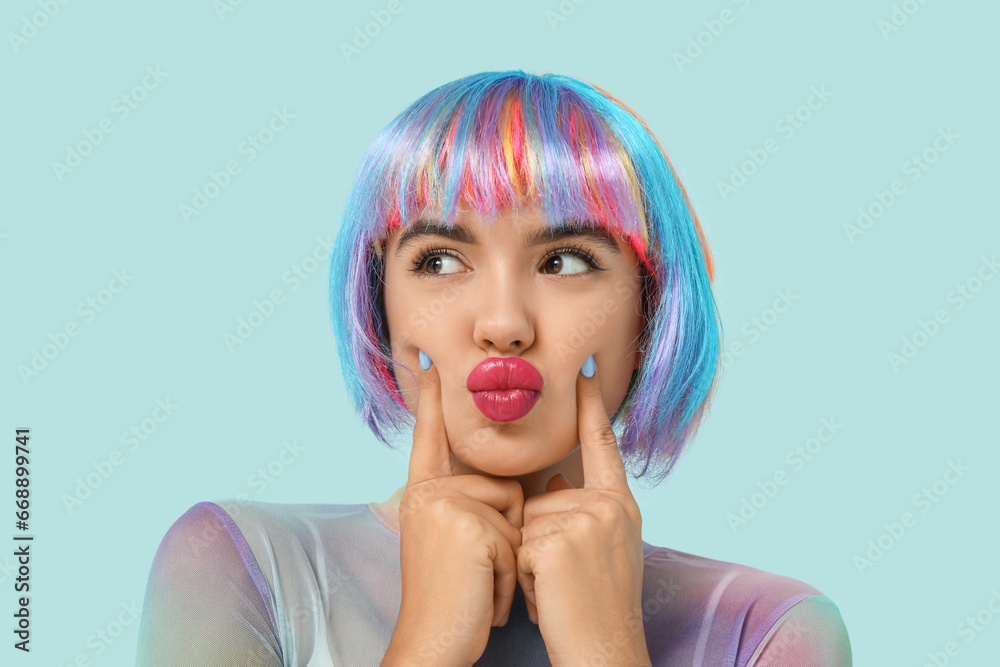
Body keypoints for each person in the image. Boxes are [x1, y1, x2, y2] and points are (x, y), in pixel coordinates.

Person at [135, 70, 852, 666]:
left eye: (565, 260)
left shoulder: (770, 629)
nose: (503, 322)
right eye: (440, 260)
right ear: (380, 298)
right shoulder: (237, 566)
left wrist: (609, 650)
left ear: (652, 307)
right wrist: (425, 642)